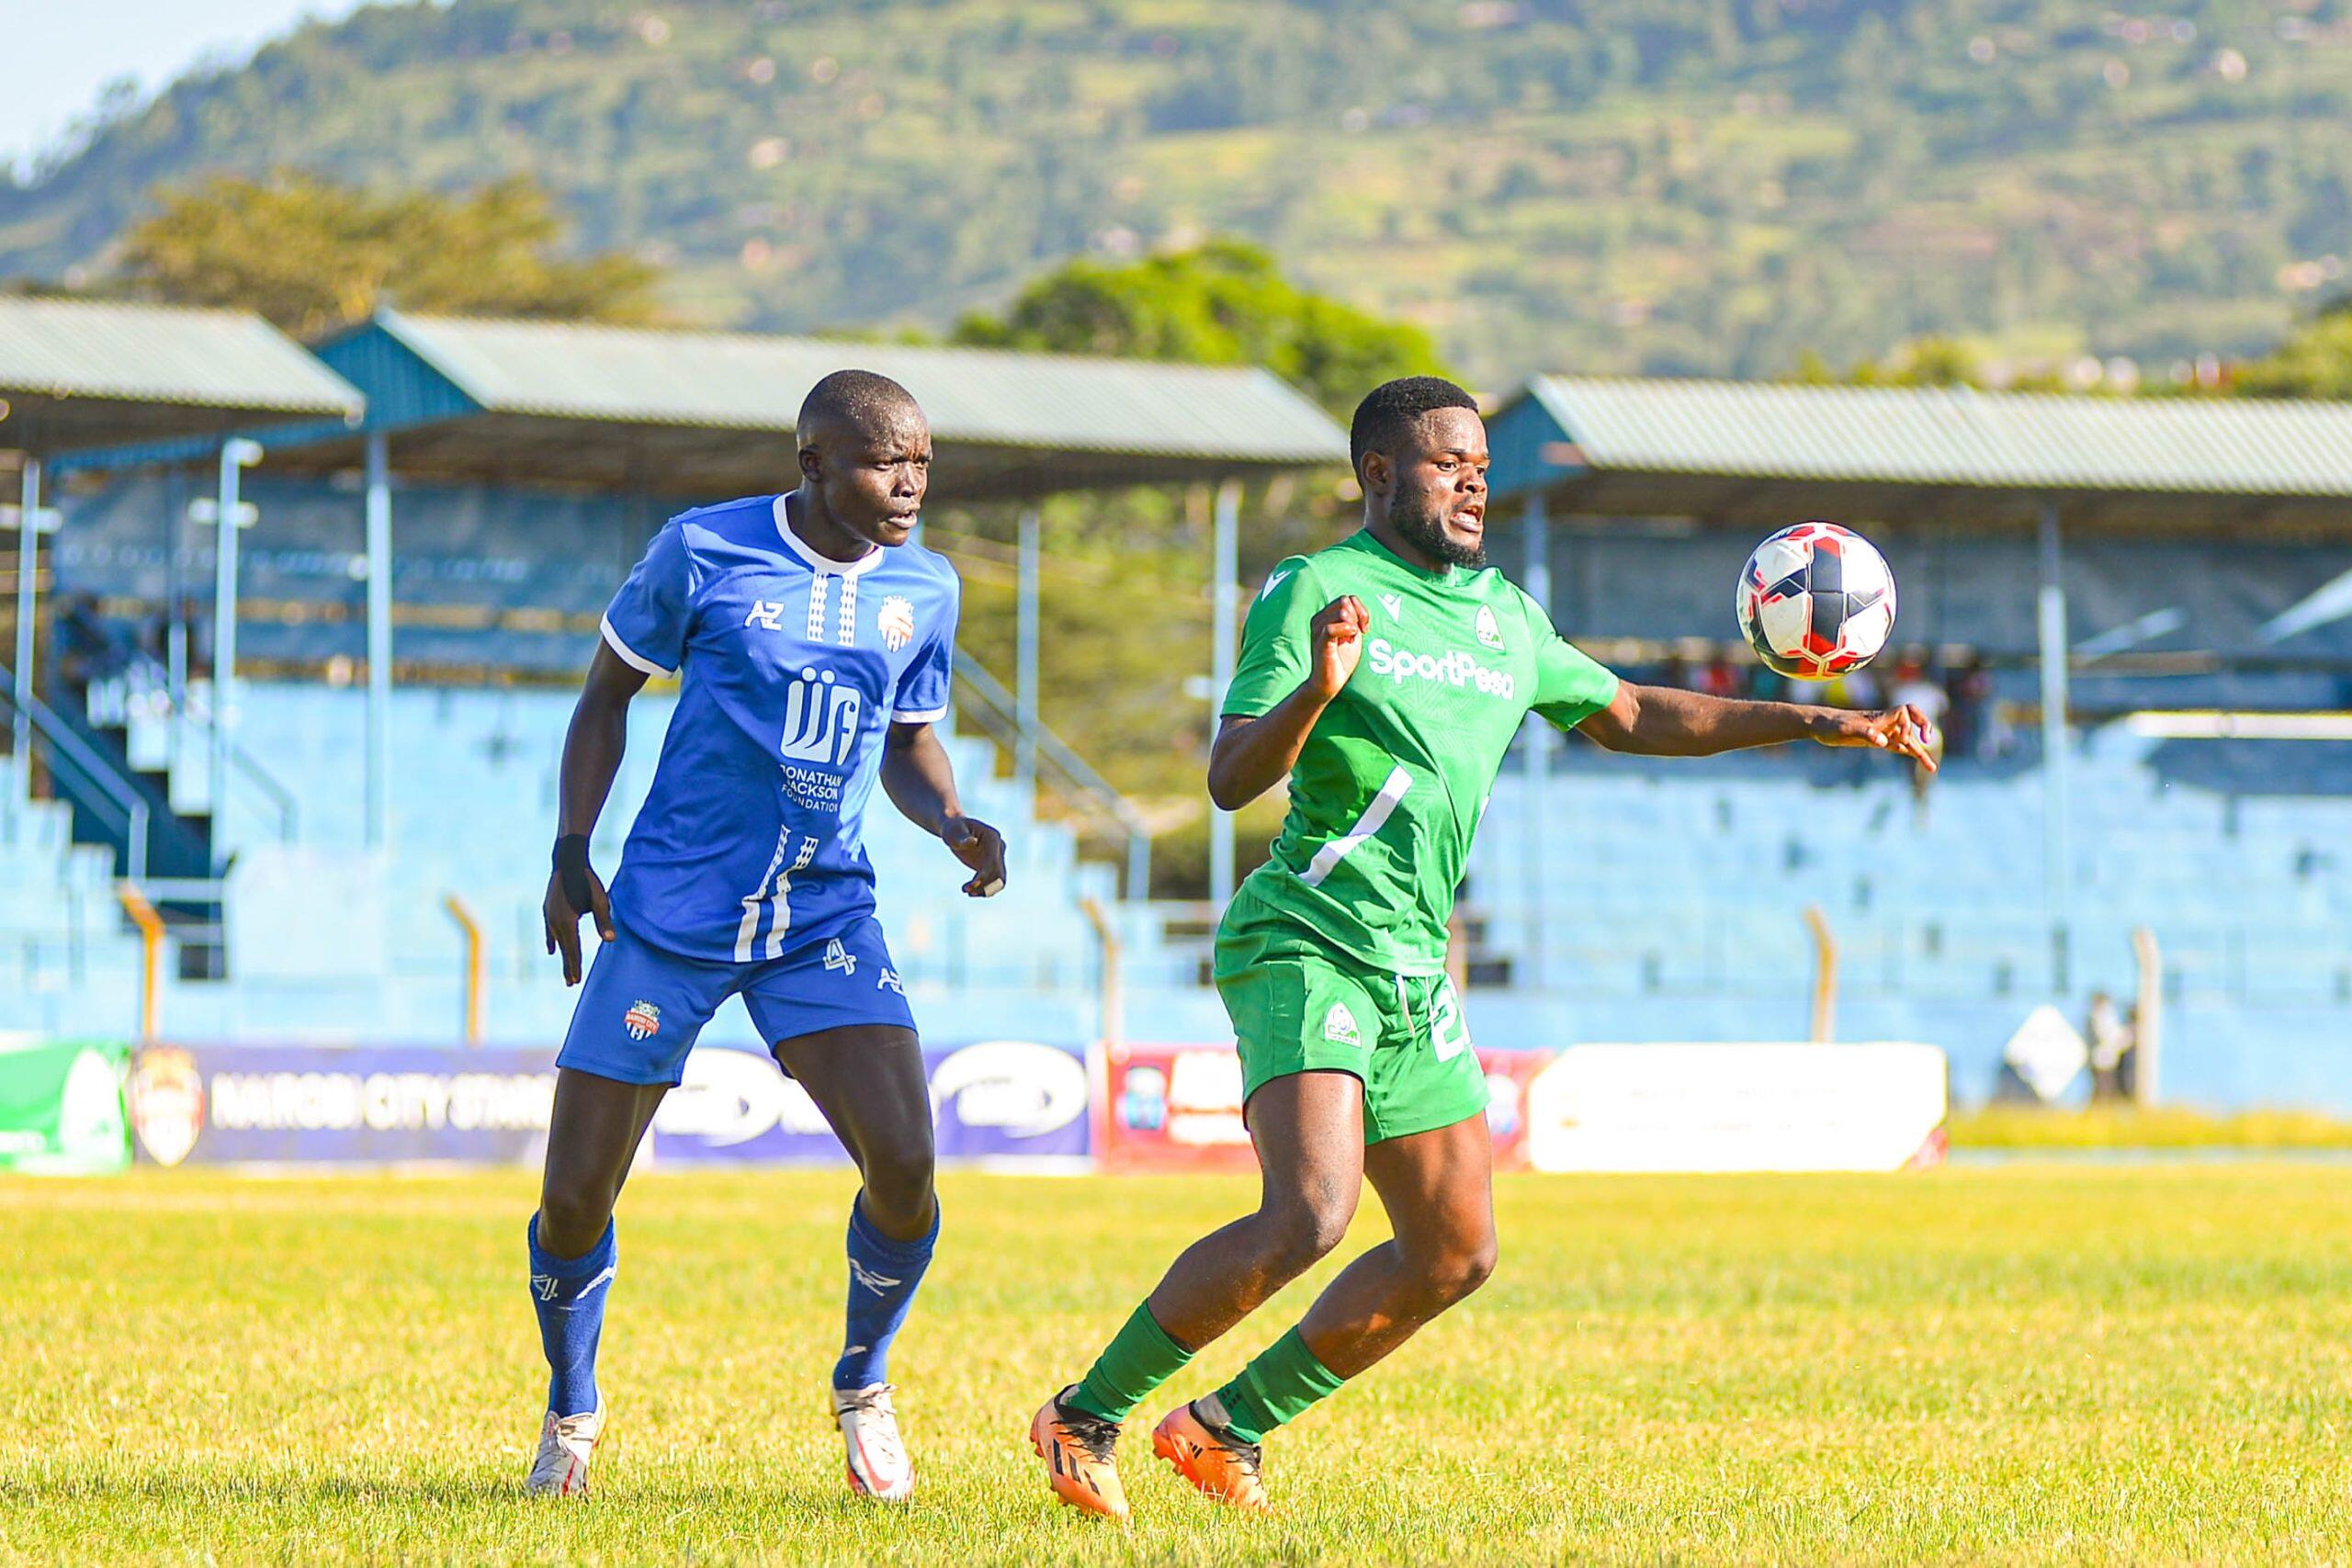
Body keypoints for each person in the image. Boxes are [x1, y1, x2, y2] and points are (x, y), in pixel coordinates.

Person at [1027, 377, 1939, 1519]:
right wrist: (1317, 686)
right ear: (1377, 473)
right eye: (1446, 461)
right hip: (1308, 934)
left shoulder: (1505, 615)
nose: (1470, 481)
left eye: (1480, 467)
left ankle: (1224, 1428)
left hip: (1414, 963)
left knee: (1454, 1252)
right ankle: (1085, 1414)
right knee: (1309, 1211)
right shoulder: (1321, 587)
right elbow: (1227, 779)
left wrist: (1817, 718)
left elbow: (1630, 714)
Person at [526, 370, 1008, 1503]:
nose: (909, 484)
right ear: (812, 465)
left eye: (923, 463)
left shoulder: (927, 588)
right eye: (885, 463)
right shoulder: (701, 551)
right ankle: (570, 1410)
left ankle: (863, 1384)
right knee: (575, 1197)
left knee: (905, 1163)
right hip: (672, 919)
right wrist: (568, 846)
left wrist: (948, 818)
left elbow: (909, 738)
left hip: (822, 914)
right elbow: (606, 697)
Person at [1887, 649, 1950, 824]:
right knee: (1920, 778)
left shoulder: (1905, 692)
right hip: (1924, 740)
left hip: (1918, 741)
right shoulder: (1910, 691)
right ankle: (1919, 805)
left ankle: (1921, 808)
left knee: (1921, 778)